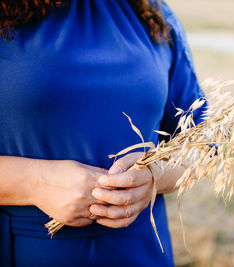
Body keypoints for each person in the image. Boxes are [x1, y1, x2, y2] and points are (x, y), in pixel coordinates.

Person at [0, 0, 205, 265]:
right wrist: (32, 182)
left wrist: (155, 175)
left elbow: (203, 143)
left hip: (139, 252)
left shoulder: (151, 12)